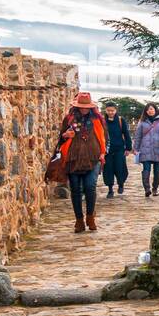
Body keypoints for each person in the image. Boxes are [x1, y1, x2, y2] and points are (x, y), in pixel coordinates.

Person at [58, 91, 107, 233]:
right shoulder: (69, 119)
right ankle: (79, 220)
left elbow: (104, 137)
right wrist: (66, 135)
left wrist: (103, 153)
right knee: (75, 189)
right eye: (81, 106)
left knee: (90, 186)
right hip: (73, 158)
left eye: (86, 106)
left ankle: (90, 216)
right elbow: (60, 139)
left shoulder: (97, 120)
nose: (84, 109)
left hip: (93, 157)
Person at [132, 102, 159, 198]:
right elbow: (138, 136)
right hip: (145, 148)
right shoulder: (142, 122)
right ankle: (147, 189)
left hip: (158, 148)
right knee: (146, 169)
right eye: (148, 109)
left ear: (155, 110)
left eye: (152, 109)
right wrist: (135, 149)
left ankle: (155, 189)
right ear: (146, 111)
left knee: (157, 170)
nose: (150, 111)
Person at [102, 102, 133, 197]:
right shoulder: (102, 121)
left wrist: (128, 148)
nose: (110, 112)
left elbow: (126, 134)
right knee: (108, 170)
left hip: (119, 149)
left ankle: (121, 184)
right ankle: (110, 190)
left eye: (112, 110)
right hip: (107, 150)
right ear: (105, 110)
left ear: (116, 110)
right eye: (108, 110)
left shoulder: (120, 120)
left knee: (120, 168)